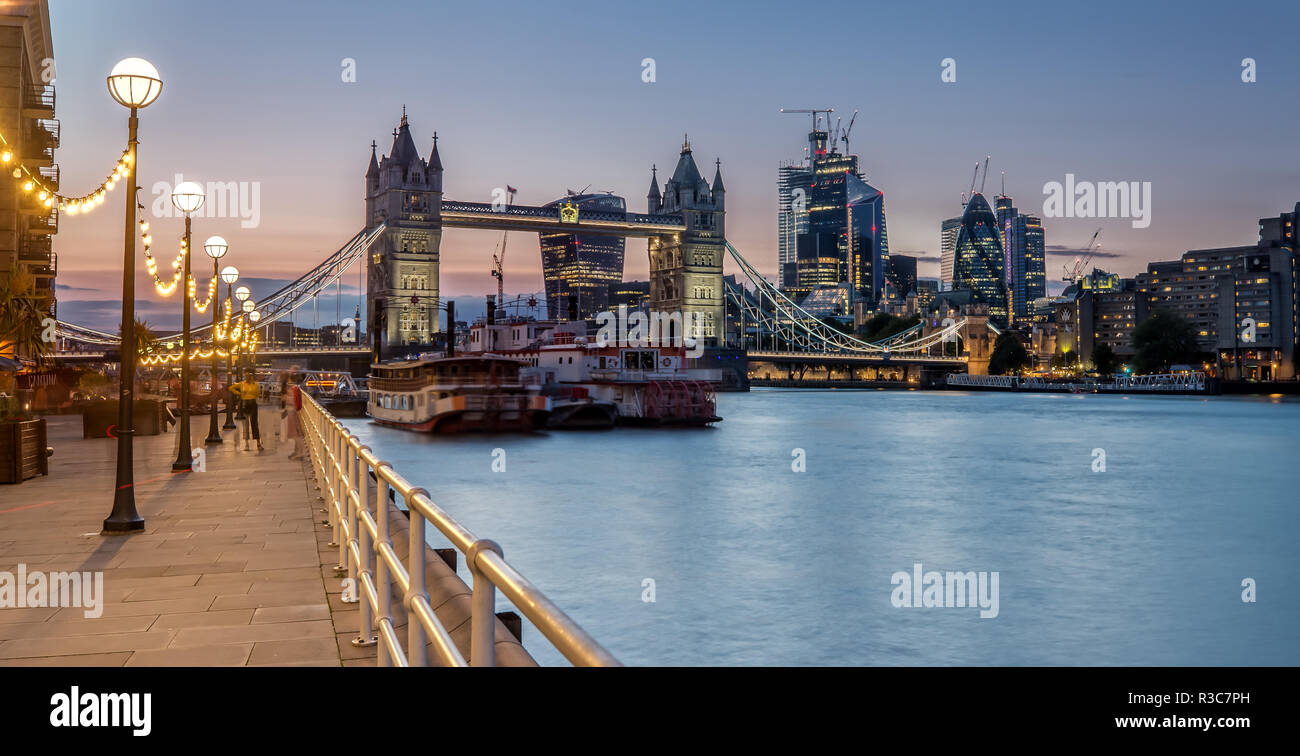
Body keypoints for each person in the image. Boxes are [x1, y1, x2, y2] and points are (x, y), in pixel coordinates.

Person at [230, 369, 263, 451]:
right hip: (245, 405)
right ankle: (246, 444)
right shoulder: (242, 384)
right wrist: (239, 394)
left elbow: (257, 394)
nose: (247, 377)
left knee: (254, 424)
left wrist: (247, 393)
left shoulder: (255, 385)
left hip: (253, 404)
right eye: (246, 376)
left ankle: (258, 443)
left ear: (251, 376)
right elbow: (231, 388)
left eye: (249, 376)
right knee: (245, 425)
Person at [283, 371, 305, 460]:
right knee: (297, 433)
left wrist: (285, 398)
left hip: (292, 411)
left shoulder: (293, 388)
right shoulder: (296, 388)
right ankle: (297, 451)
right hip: (294, 411)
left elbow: (293, 400)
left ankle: (300, 453)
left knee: (296, 434)